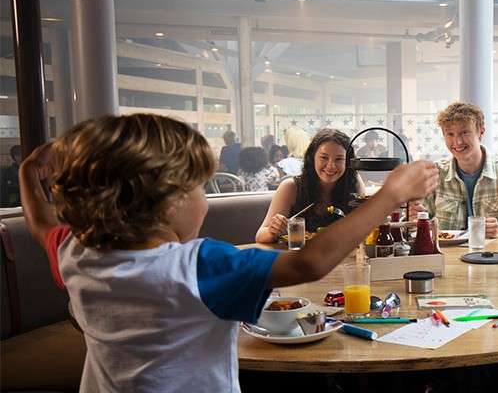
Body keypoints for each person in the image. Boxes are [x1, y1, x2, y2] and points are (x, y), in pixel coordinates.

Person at [17, 113, 438, 392]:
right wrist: (390, 195)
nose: (204, 197)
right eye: (198, 187)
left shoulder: (77, 253)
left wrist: (29, 172)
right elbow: (312, 262)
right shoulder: (199, 266)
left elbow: (41, 226)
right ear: (166, 200)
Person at [409, 101, 498, 238]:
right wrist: (412, 219)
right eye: (450, 134)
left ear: (481, 132)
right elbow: (414, 230)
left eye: (464, 133)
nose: (457, 142)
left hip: (496, 257)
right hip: (446, 258)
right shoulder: (434, 174)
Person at [256, 129, 364, 242]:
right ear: (312, 158)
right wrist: (273, 230)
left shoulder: (353, 183)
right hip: (298, 256)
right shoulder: (291, 187)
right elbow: (260, 236)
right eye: (324, 157)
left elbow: (362, 227)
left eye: (339, 159)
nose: (331, 166)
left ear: (347, 162)